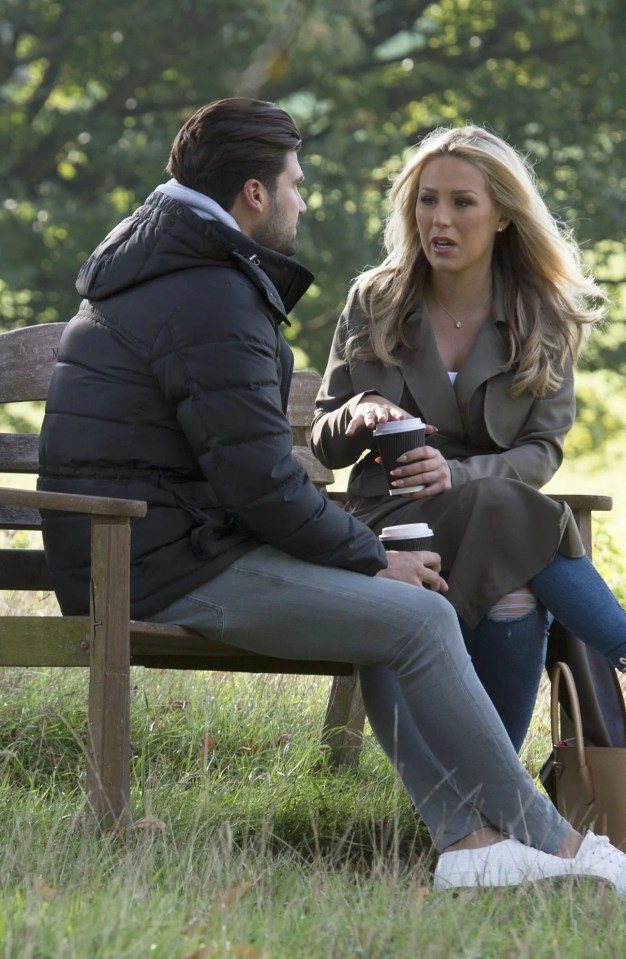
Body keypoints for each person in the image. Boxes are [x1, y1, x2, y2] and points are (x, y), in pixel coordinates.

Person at [38, 99, 626, 893]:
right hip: (156, 557)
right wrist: (369, 550)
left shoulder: (184, 273)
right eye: (296, 183)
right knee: (417, 613)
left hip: (178, 540)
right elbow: (265, 478)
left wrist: (375, 547)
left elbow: (248, 474)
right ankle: (557, 845)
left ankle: (473, 842)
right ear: (255, 193)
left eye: (461, 202)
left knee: (460, 572)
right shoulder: (211, 295)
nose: (304, 200)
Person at [311, 123, 626, 752]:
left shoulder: (544, 313)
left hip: (493, 514)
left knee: (514, 587)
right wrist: (354, 414)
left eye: (462, 202)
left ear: (503, 216)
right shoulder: (373, 299)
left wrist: (460, 475)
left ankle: (494, 802)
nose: (440, 220)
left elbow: (543, 451)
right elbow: (323, 441)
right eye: (428, 200)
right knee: (523, 518)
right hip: (393, 520)